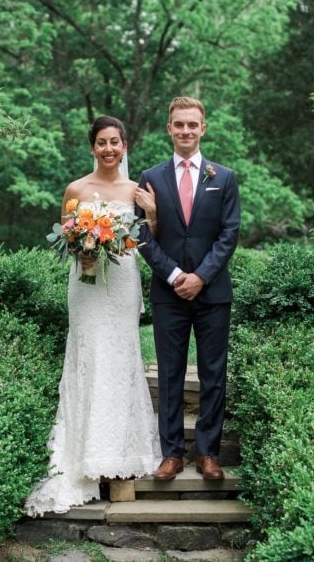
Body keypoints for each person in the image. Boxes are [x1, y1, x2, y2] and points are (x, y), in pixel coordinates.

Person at [25, 115, 161, 516]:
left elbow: (147, 239)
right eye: (101, 142)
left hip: (121, 285)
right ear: (92, 147)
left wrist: (152, 214)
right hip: (85, 288)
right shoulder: (76, 189)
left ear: (124, 146)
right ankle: (84, 456)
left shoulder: (136, 191)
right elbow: (65, 239)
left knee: (120, 359)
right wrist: (81, 247)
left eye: (115, 142)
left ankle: (121, 454)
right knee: (88, 358)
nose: (108, 149)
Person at [134, 97, 241, 481]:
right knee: (170, 374)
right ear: (169, 128)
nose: (185, 131)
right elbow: (142, 234)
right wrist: (176, 275)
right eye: (179, 124)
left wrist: (201, 276)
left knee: (214, 372)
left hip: (213, 293)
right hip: (169, 292)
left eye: (192, 125)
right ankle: (172, 453)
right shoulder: (150, 177)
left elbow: (230, 234)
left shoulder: (223, 177)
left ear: (203, 128)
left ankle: (209, 454)